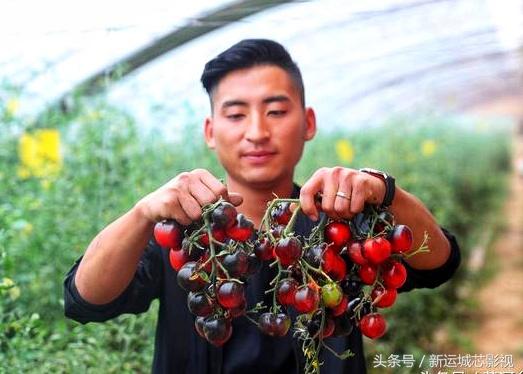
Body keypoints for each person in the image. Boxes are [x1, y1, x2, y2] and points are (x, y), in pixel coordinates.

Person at [64, 39, 461, 373]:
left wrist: (386, 192)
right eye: (236, 114)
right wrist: (142, 213)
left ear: (307, 122)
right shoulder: (184, 229)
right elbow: (85, 300)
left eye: (275, 111)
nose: (257, 132)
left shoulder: (340, 222)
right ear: (210, 131)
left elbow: (438, 263)